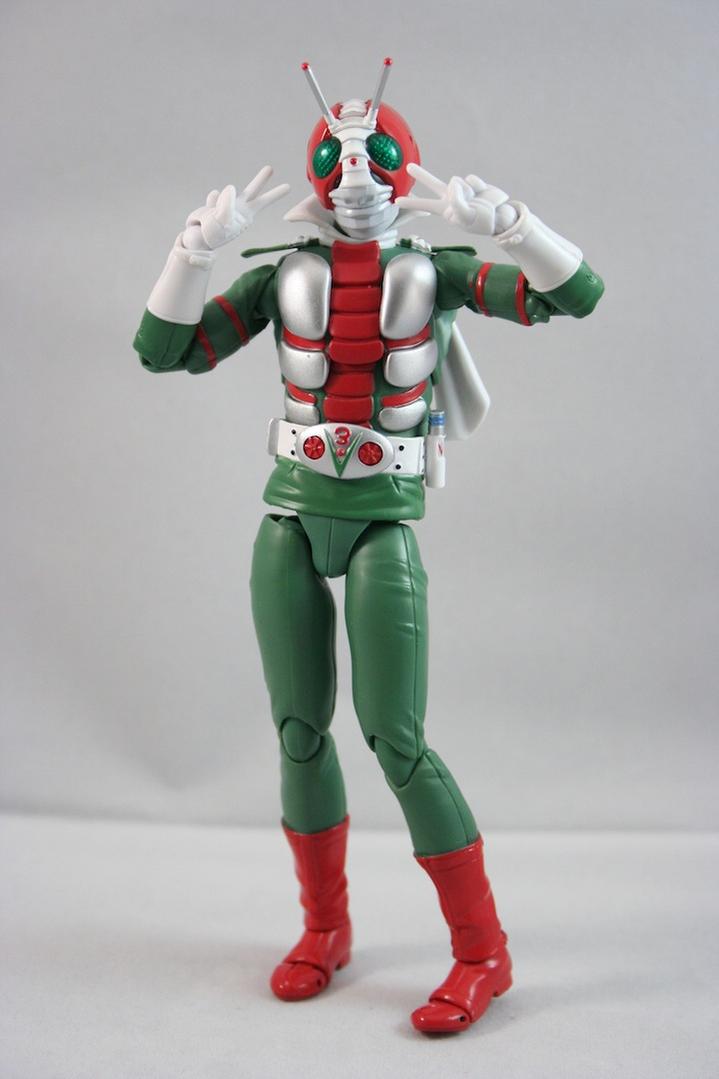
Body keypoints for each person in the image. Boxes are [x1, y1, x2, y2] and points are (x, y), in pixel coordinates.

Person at [133, 59, 603, 1034]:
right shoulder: (282, 277)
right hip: (289, 516)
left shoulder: (433, 272)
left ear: (403, 167)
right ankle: (324, 927)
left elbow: (576, 295)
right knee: (298, 733)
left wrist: (511, 225)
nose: (355, 176)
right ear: (315, 173)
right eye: (336, 158)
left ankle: (482, 952)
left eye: (377, 156)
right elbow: (163, 350)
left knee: (396, 737)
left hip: (384, 521)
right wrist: (192, 251)